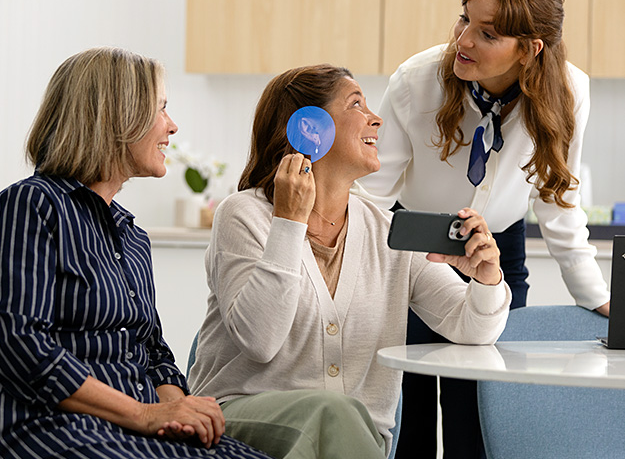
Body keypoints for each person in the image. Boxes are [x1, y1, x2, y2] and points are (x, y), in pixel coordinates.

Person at [187, 64, 511, 459]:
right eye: (356, 104)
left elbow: (472, 330)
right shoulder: (244, 215)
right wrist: (289, 223)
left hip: (356, 436)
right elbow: (259, 341)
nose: (376, 119)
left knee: (335, 415)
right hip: (238, 421)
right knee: (330, 412)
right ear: (310, 127)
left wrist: (486, 278)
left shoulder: (388, 230)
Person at [354, 0, 611, 458]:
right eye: (463, 20)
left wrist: (597, 297)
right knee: (408, 406)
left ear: (530, 48)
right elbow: (370, 195)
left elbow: (558, 199)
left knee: (483, 406)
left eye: (487, 33)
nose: (462, 40)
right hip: (413, 249)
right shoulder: (418, 80)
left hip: (497, 252)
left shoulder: (570, 90)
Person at [0, 47, 272, 459]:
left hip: (135, 430)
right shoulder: (32, 205)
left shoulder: (132, 236)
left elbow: (152, 350)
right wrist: (143, 414)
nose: (172, 125)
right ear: (116, 115)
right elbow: (19, 342)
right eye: (160, 108)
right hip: (54, 426)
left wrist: (176, 409)